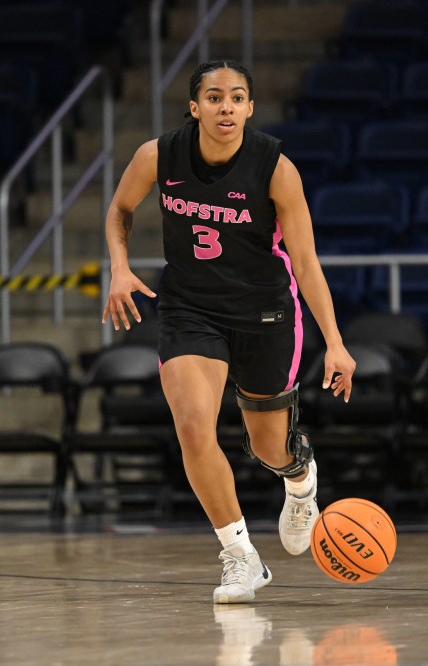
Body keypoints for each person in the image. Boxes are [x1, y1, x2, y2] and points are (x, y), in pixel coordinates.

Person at [102, 60, 356, 603]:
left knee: (269, 450)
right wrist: (119, 268)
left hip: (264, 311)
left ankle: (299, 472)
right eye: (214, 98)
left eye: (237, 98)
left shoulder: (275, 167)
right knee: (194, 426)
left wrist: (334, 342)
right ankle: (240, 556)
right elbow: (120, 209)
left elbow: (306, 263)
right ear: (195, 107)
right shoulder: (158, 155)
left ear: (249, 108)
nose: (226, 107)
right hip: (189, 309)